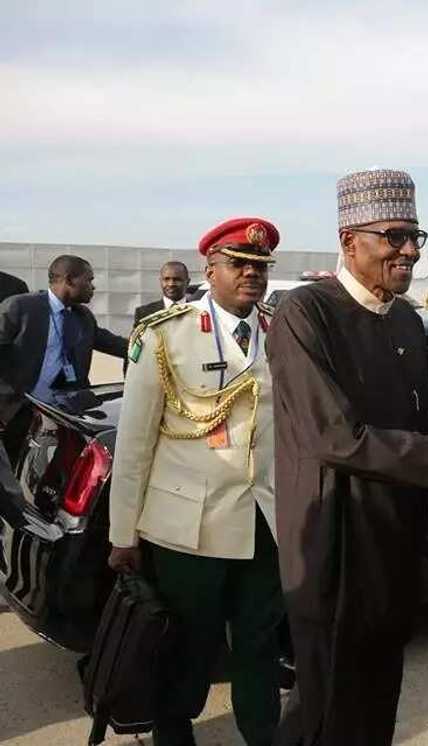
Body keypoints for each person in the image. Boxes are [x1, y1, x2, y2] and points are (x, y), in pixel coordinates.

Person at [267, 169, 428, 746]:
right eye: (393, 236)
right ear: (349, 241)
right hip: (333, 543)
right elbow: (337, 439)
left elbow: (418, 425)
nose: (408, 250)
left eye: (415, 236)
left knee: (377, 698)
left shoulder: (405, 318)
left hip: (395, 543)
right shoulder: (305, 314)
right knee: (324, 707)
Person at [107, 218, 285, 746]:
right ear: (210, 269)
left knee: (259, 643)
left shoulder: (283, 334)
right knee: (188, 645)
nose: (251, 275)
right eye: (239, 264)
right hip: (188, 528)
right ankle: (174, 735)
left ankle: (262, 733)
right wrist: (123, 534)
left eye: (260, 267)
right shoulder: (165, 336)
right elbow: (135, 444)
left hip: (263, 520)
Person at [0, 255, 127, 462]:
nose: (93, 287)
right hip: (15, 412)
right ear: (69, 280)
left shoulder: (83, 317)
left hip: (62, 416)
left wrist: (156, 346)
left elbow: (117, 345)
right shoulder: (20, 308)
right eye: (89, 280)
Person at [125, 261, 191, 375]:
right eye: (166, 279)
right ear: (160, 281)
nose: (171, 283)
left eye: (177, 279)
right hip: (156, 379)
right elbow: (135, 349)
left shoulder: (200, 311)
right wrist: (129, 379)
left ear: (188, 282)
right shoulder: (144, 313)